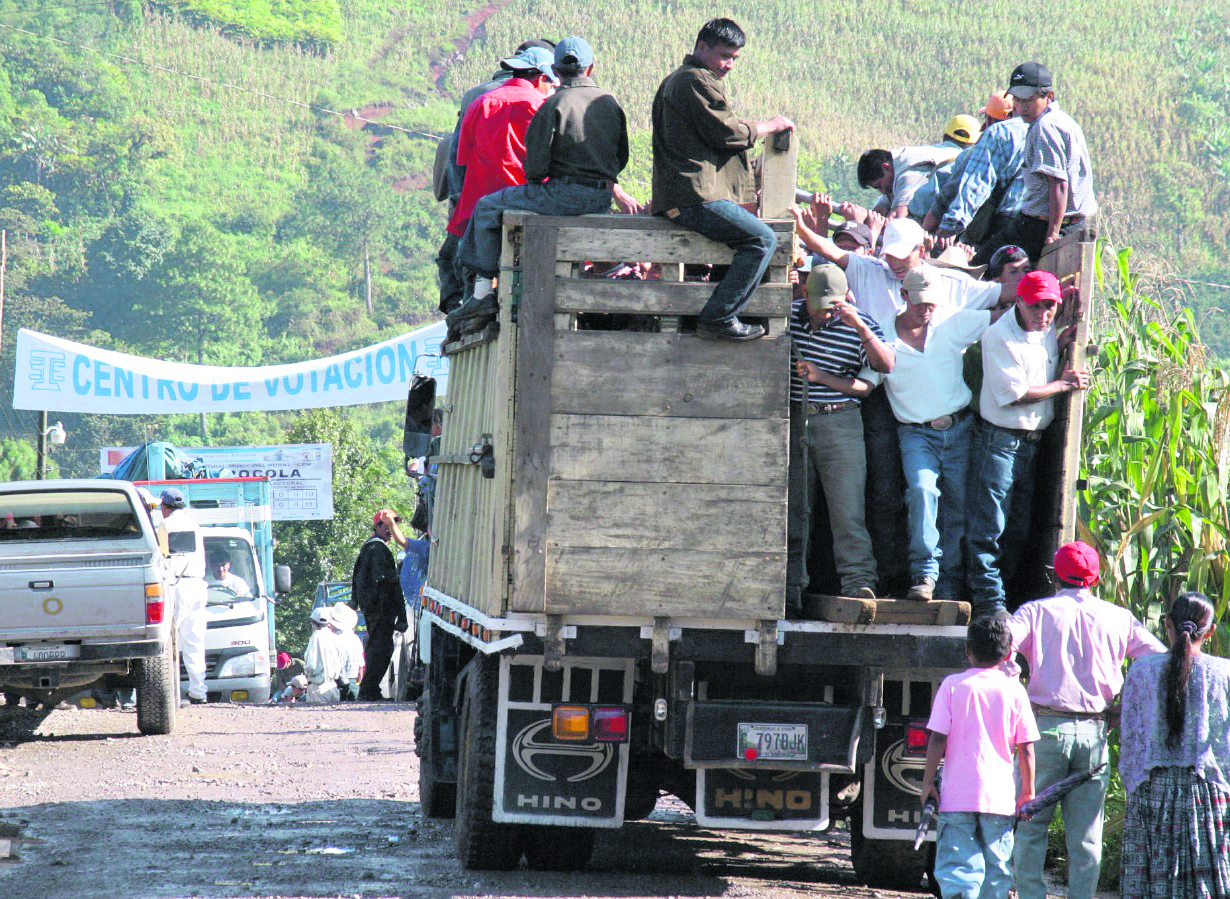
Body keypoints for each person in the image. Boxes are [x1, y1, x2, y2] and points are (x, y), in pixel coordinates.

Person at [1006, 541, 1165, 899]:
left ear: (1055, 574)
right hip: (1095, 733)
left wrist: (1014, 685)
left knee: (1031, 826)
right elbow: (1159, 659)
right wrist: (1126, 703)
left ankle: (1031, 895)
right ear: (1096, 577)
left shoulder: (1034, 612)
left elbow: (1003, 649)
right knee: (1087, 835)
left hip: (1043, 730)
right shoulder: (1119, 617)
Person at [453, 37, 635, 335]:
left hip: (564, 194)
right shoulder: (610, 102)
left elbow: (535, 167)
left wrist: (541, 182)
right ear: (591, 68)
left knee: (486, 208)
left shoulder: (554, 104)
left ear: (556, 69)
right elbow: (622, 156)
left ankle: (482, 294)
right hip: (601, 196)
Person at [857, 265, 1002, 601]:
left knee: (956, 506)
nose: (926, 309)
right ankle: (924, 574)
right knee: (923, 492)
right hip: (915, 433)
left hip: (959, 427)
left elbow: (1004, 319)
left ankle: (947, 584)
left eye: (931, 303)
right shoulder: (884, 335)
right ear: (903, 296)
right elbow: (869, 379)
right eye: (919, 302)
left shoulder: (952, 320)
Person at [651, 17, 794, 341]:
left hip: (685, 195)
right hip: (693, 195)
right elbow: (727, 132)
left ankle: (715, 315)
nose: (729, 64)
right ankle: (718, 317)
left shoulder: (683, 79)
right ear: (701, 47)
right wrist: (770, 125)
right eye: (723, 55)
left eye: (734, 58)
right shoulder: (695, 80)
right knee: (762, 240)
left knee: (748, 240)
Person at [965, 271, 1090, 616]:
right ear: (1019, 302)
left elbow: (1045, 348)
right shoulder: (999, 337)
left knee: (1017, 529)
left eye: (1051, 306)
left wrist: (1061, 341)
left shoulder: (1042, 330)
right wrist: (1064, 385)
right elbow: (1016, 395)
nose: (1045, 314)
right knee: (990, 527)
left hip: (1029, 444)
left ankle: (1001, 596)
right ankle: (989, 604)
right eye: (1037, 306)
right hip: (999, 442)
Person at [789, 263, 893, 602]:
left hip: (840, 422)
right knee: (793, 509)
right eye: (819, 308)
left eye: (832, 308)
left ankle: (858, 583)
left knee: (847, 512)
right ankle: (790, 587)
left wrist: (860, 326)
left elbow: (885, 366)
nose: (825, 315)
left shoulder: (857, 324)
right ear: (804, 293)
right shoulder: (786, 316)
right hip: (793, 419)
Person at [1119, 591, 1230, 899]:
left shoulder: (1142, 670)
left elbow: (1131, 734)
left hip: (1151, 790)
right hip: (1206, 792)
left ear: (1166, 623)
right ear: (1209, 631)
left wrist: (1133, 783)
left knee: (1153, 883)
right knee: (1206, 882)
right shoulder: (1225, 672)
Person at [921, 614, 1038, 899]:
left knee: (958, 866)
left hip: (956, 797)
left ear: (968, 651)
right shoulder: (1015, 691)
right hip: (999, 799)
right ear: (1009, 653)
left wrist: (927, 783)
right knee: (997, 867)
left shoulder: (952, 685)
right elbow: (1026, 748)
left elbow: (938, 737)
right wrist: (1028, 792)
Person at [444, 46, 559, 336]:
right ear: (541, 77)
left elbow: (461, 159)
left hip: (480, 205)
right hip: (528, 200)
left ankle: (477, 314)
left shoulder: (481, 103)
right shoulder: (543, 105)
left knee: (477, 275)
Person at [979, 62, 1097, 262]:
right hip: (1073, 224)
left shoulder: (1045, 127)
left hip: (1042, 226)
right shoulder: (1064, 120)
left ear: (1048, 96)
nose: (1022, 107)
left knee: (983, 264)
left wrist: (1052, 234)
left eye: (1030, 100)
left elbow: (1059, 184)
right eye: (1017, 99)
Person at [352, 508, 409, 701]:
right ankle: (369, 690)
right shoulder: (377, 548)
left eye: (393, 525)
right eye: (387, 525)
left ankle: (371, 690)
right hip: (381, 609)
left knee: (380, 648)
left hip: (377, 608)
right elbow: (383, 581)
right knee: (381, 649)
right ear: (377, 526)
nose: (391, 530)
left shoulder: (369, 546)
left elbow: (358, 578)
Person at [161, 488, 208, 705]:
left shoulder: (166, 525)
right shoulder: (194, 525)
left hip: (177, 585)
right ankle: (199, 692)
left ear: (165, 506)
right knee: (195, 642)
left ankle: (171, 694)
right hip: (198, 585)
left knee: (168, 640)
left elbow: (163, 558)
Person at [856, 137, 962, 221]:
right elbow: (881, 208)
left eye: (879, 186)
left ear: (886, 167)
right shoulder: (894, 163)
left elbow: (897, 218)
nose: (882, 191)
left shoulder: (909, 173)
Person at [302, 606, 342, 704]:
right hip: (332, 687)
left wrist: (306, 672)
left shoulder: (316, 637)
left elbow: (311, 666)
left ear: (313, 623)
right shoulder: (335, 637)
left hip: (318, 688)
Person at [329, 603, 364, 702]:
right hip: (353, 683)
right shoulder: (355, 639)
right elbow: (361, 668)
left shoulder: (333, 639)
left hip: (337, 684)